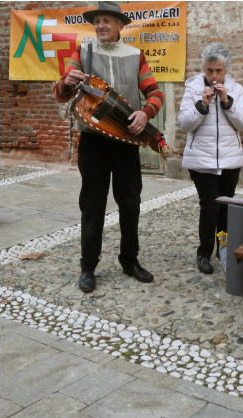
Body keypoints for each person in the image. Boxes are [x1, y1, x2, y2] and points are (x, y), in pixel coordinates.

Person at [53, 1, 164, 293]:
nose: (101, 26)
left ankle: (130, 260)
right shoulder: (83, 51)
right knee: (92, 205)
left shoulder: (135, 56)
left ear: (120, 26)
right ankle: (88, 267)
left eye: (107, 21)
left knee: (130, 203)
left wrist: (145, 113)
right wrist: (66, 81)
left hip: (126, 142)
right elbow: (61, 93)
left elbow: (154, 92)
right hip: (93, 142)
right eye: (97, 21)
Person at [177, 43, 243, 275]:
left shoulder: (236, 90)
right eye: (210, 70)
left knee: (226, 206)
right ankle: (204, 253)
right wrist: (203, 105)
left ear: (226, 70)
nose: (214, 76)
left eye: (219, 71)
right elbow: (184, 124)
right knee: (209, 206)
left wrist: (227, 102)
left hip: (229, 159)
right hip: (201, 159)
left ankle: (225, 248)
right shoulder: (192, 89)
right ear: (204, 68)